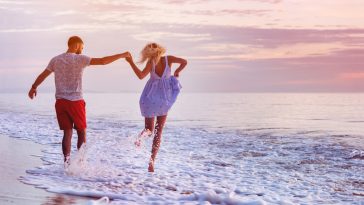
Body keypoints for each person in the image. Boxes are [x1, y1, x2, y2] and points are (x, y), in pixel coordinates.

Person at [28, 36, 130, 167]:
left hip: (60, 102)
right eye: (81, 47)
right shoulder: (80, 59)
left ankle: (67, 162)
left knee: (67, 132)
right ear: (76, 45)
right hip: (76, 101)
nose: (82, 50)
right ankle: (80, 163)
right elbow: (103, 61)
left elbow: (43, 75)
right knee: (81, 131)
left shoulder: (55, 60)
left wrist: (33, 87)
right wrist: (122, 55)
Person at [125, 42, 187, 172]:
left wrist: (130, 62)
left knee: (149, 130)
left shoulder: (150, 63)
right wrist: (177, 71)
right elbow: (184, 62)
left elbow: (141, 76)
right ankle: (152, 161)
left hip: (150, 98)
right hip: (164, 99)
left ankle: (139, 138)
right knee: (159, 131)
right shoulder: (168, 59)